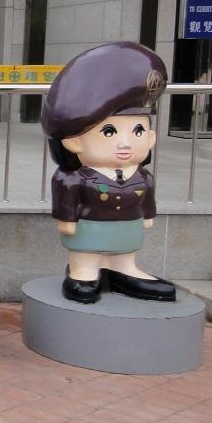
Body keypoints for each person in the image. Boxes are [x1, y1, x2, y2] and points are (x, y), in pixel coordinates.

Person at [40, 41, 176, 304]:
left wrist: (148, 216)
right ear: (74, 142)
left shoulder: (142, 177)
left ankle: (123, 268)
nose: (125, 143)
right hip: (90, 227)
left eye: (138, 131)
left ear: (151, 137)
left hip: (128, 225)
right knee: (86, 251)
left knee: (125, 247)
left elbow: (147, 199)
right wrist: (67, 220)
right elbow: (67, 198)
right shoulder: (76, 178)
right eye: (110, 132)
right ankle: (83, 271)